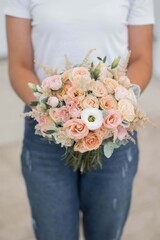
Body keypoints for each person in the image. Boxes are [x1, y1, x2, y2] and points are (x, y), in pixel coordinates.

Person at [4, 0, 154, 239]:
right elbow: (19, 64)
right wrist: (55, 112)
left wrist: (112, 106)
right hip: (46, 132)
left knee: (106, 232)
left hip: (113, 130)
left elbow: (142, 59)